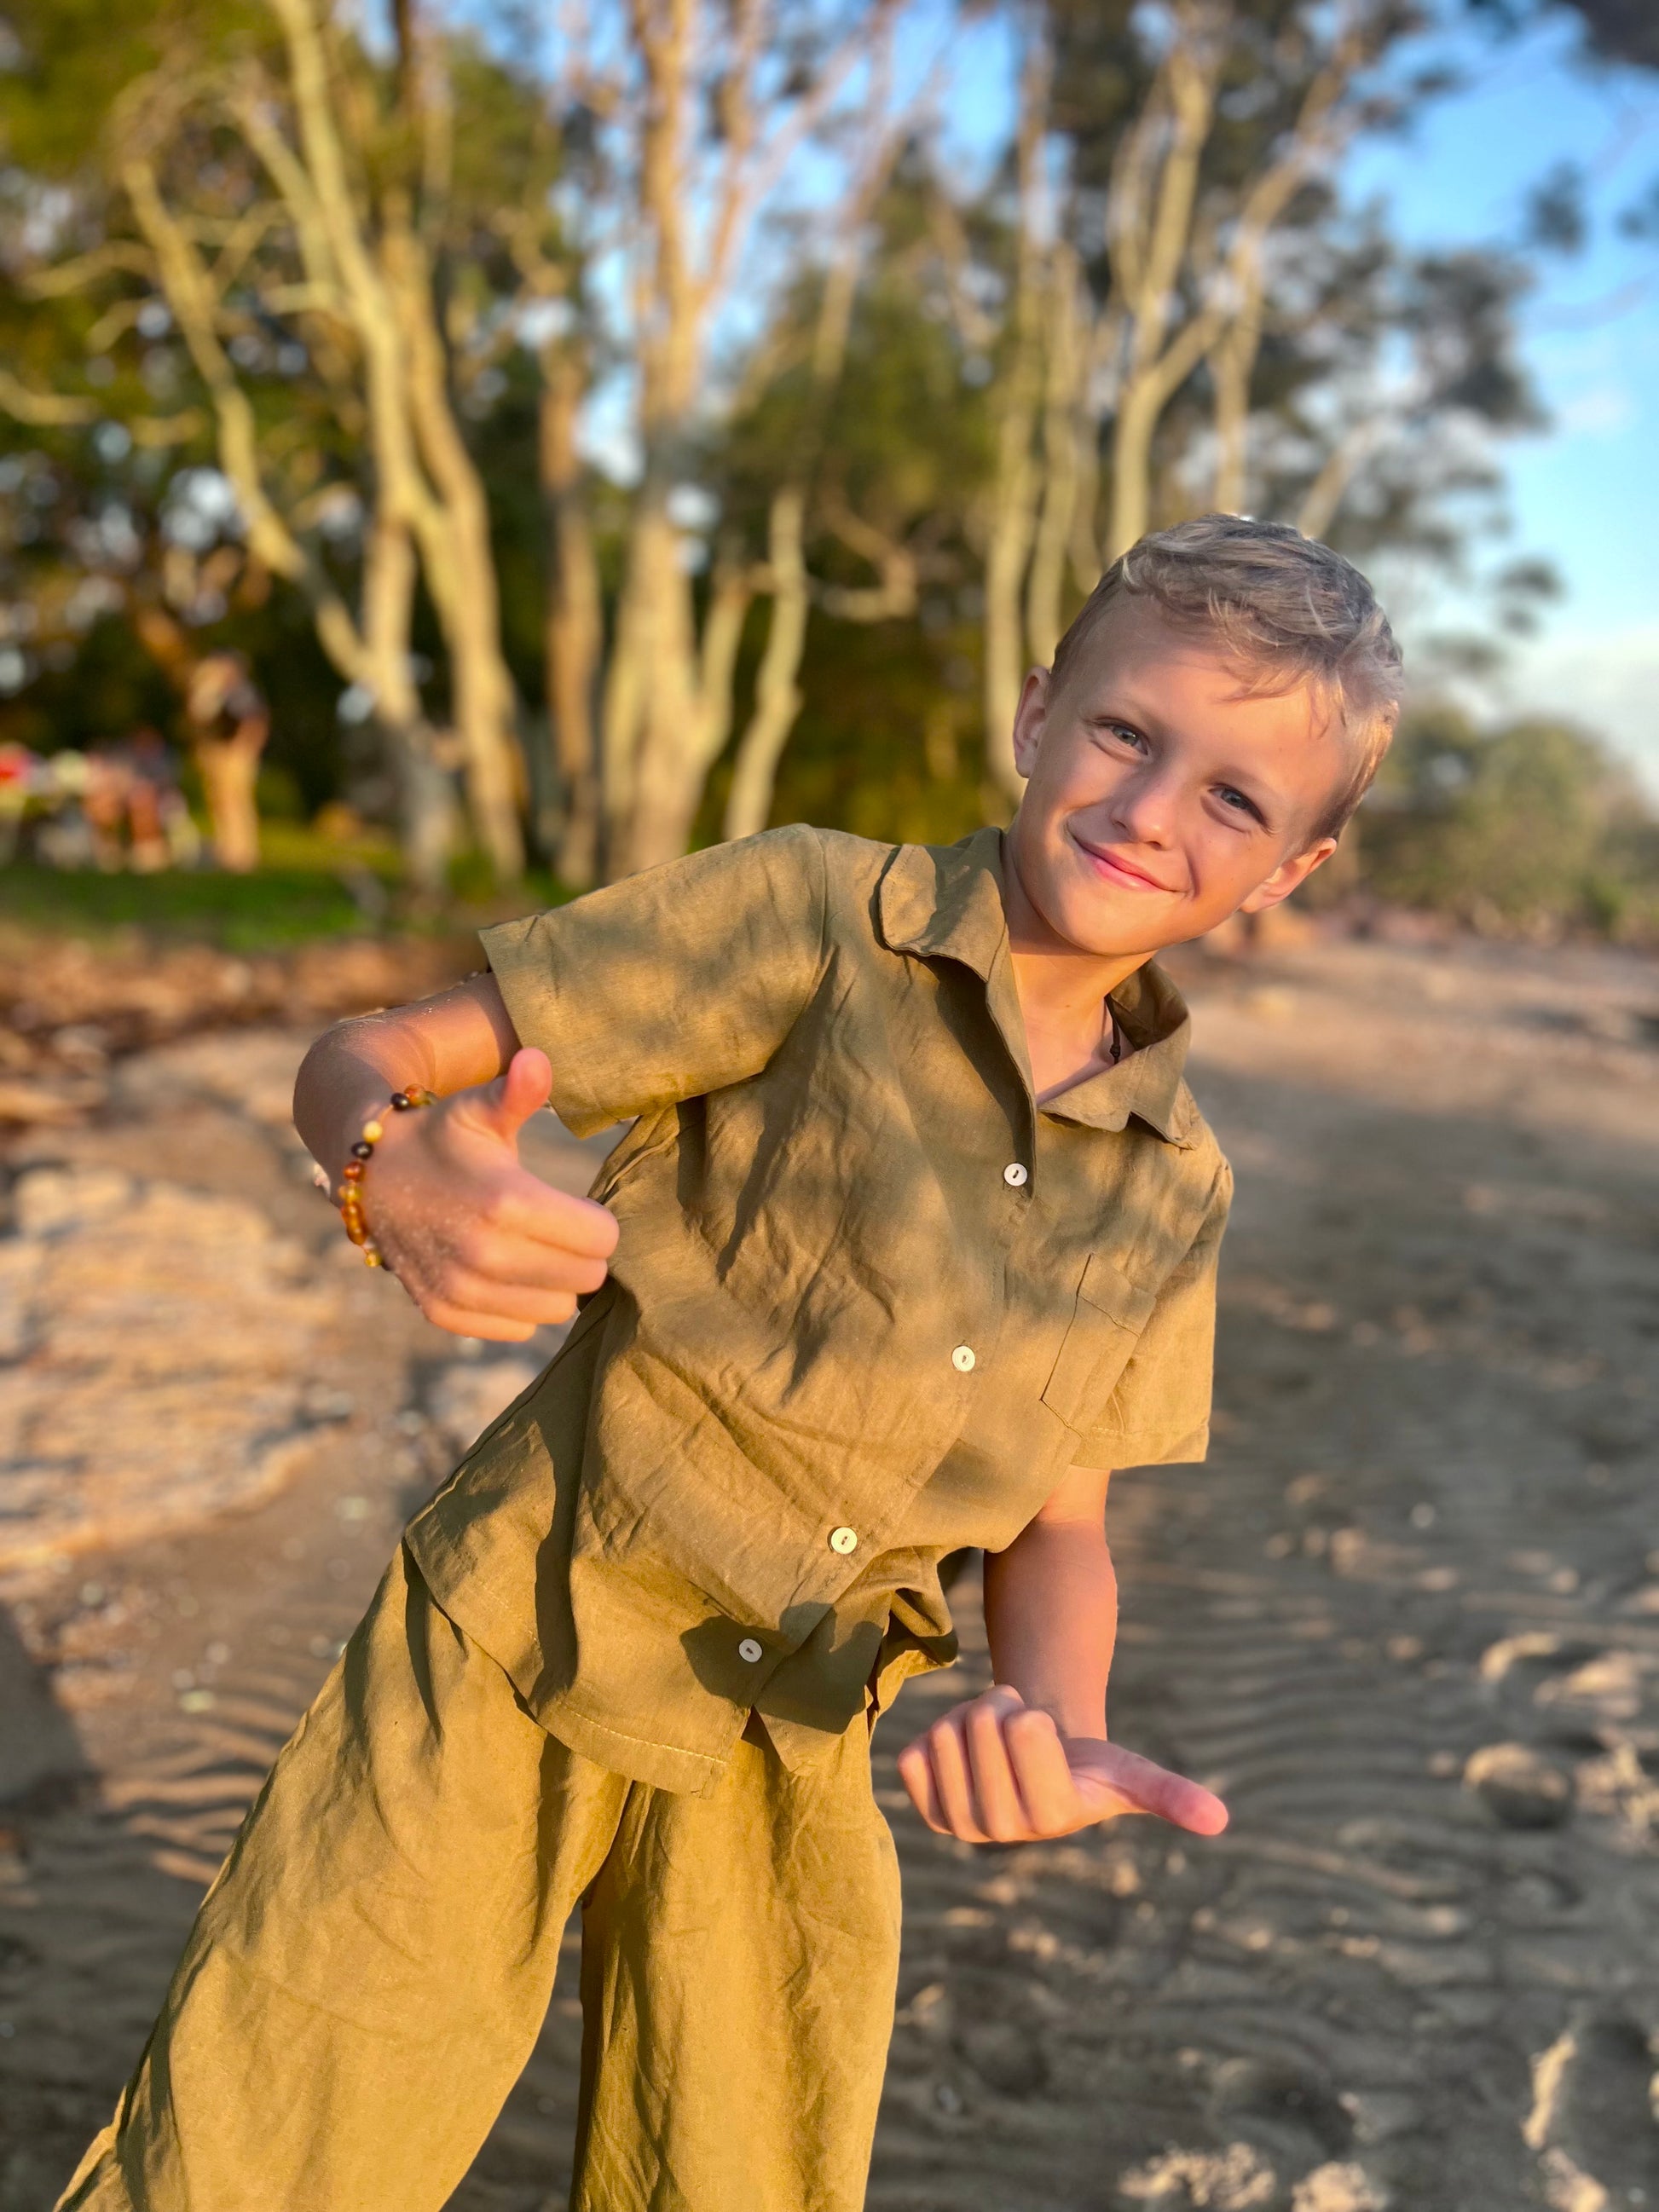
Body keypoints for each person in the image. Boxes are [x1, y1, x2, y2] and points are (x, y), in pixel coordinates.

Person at [58, 515, 1402, 2212]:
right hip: (516, 1628)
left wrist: (1054, 1716)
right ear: (1038, 710)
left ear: (1286, 870)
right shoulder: (808, 912)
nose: (1150, 810)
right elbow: (372, 1052)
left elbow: (1061, 1524)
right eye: (1127, 733)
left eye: (1234, 798)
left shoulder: (1175, 1188)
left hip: (795, 1740)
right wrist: (382, 1167)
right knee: (267, 2141)